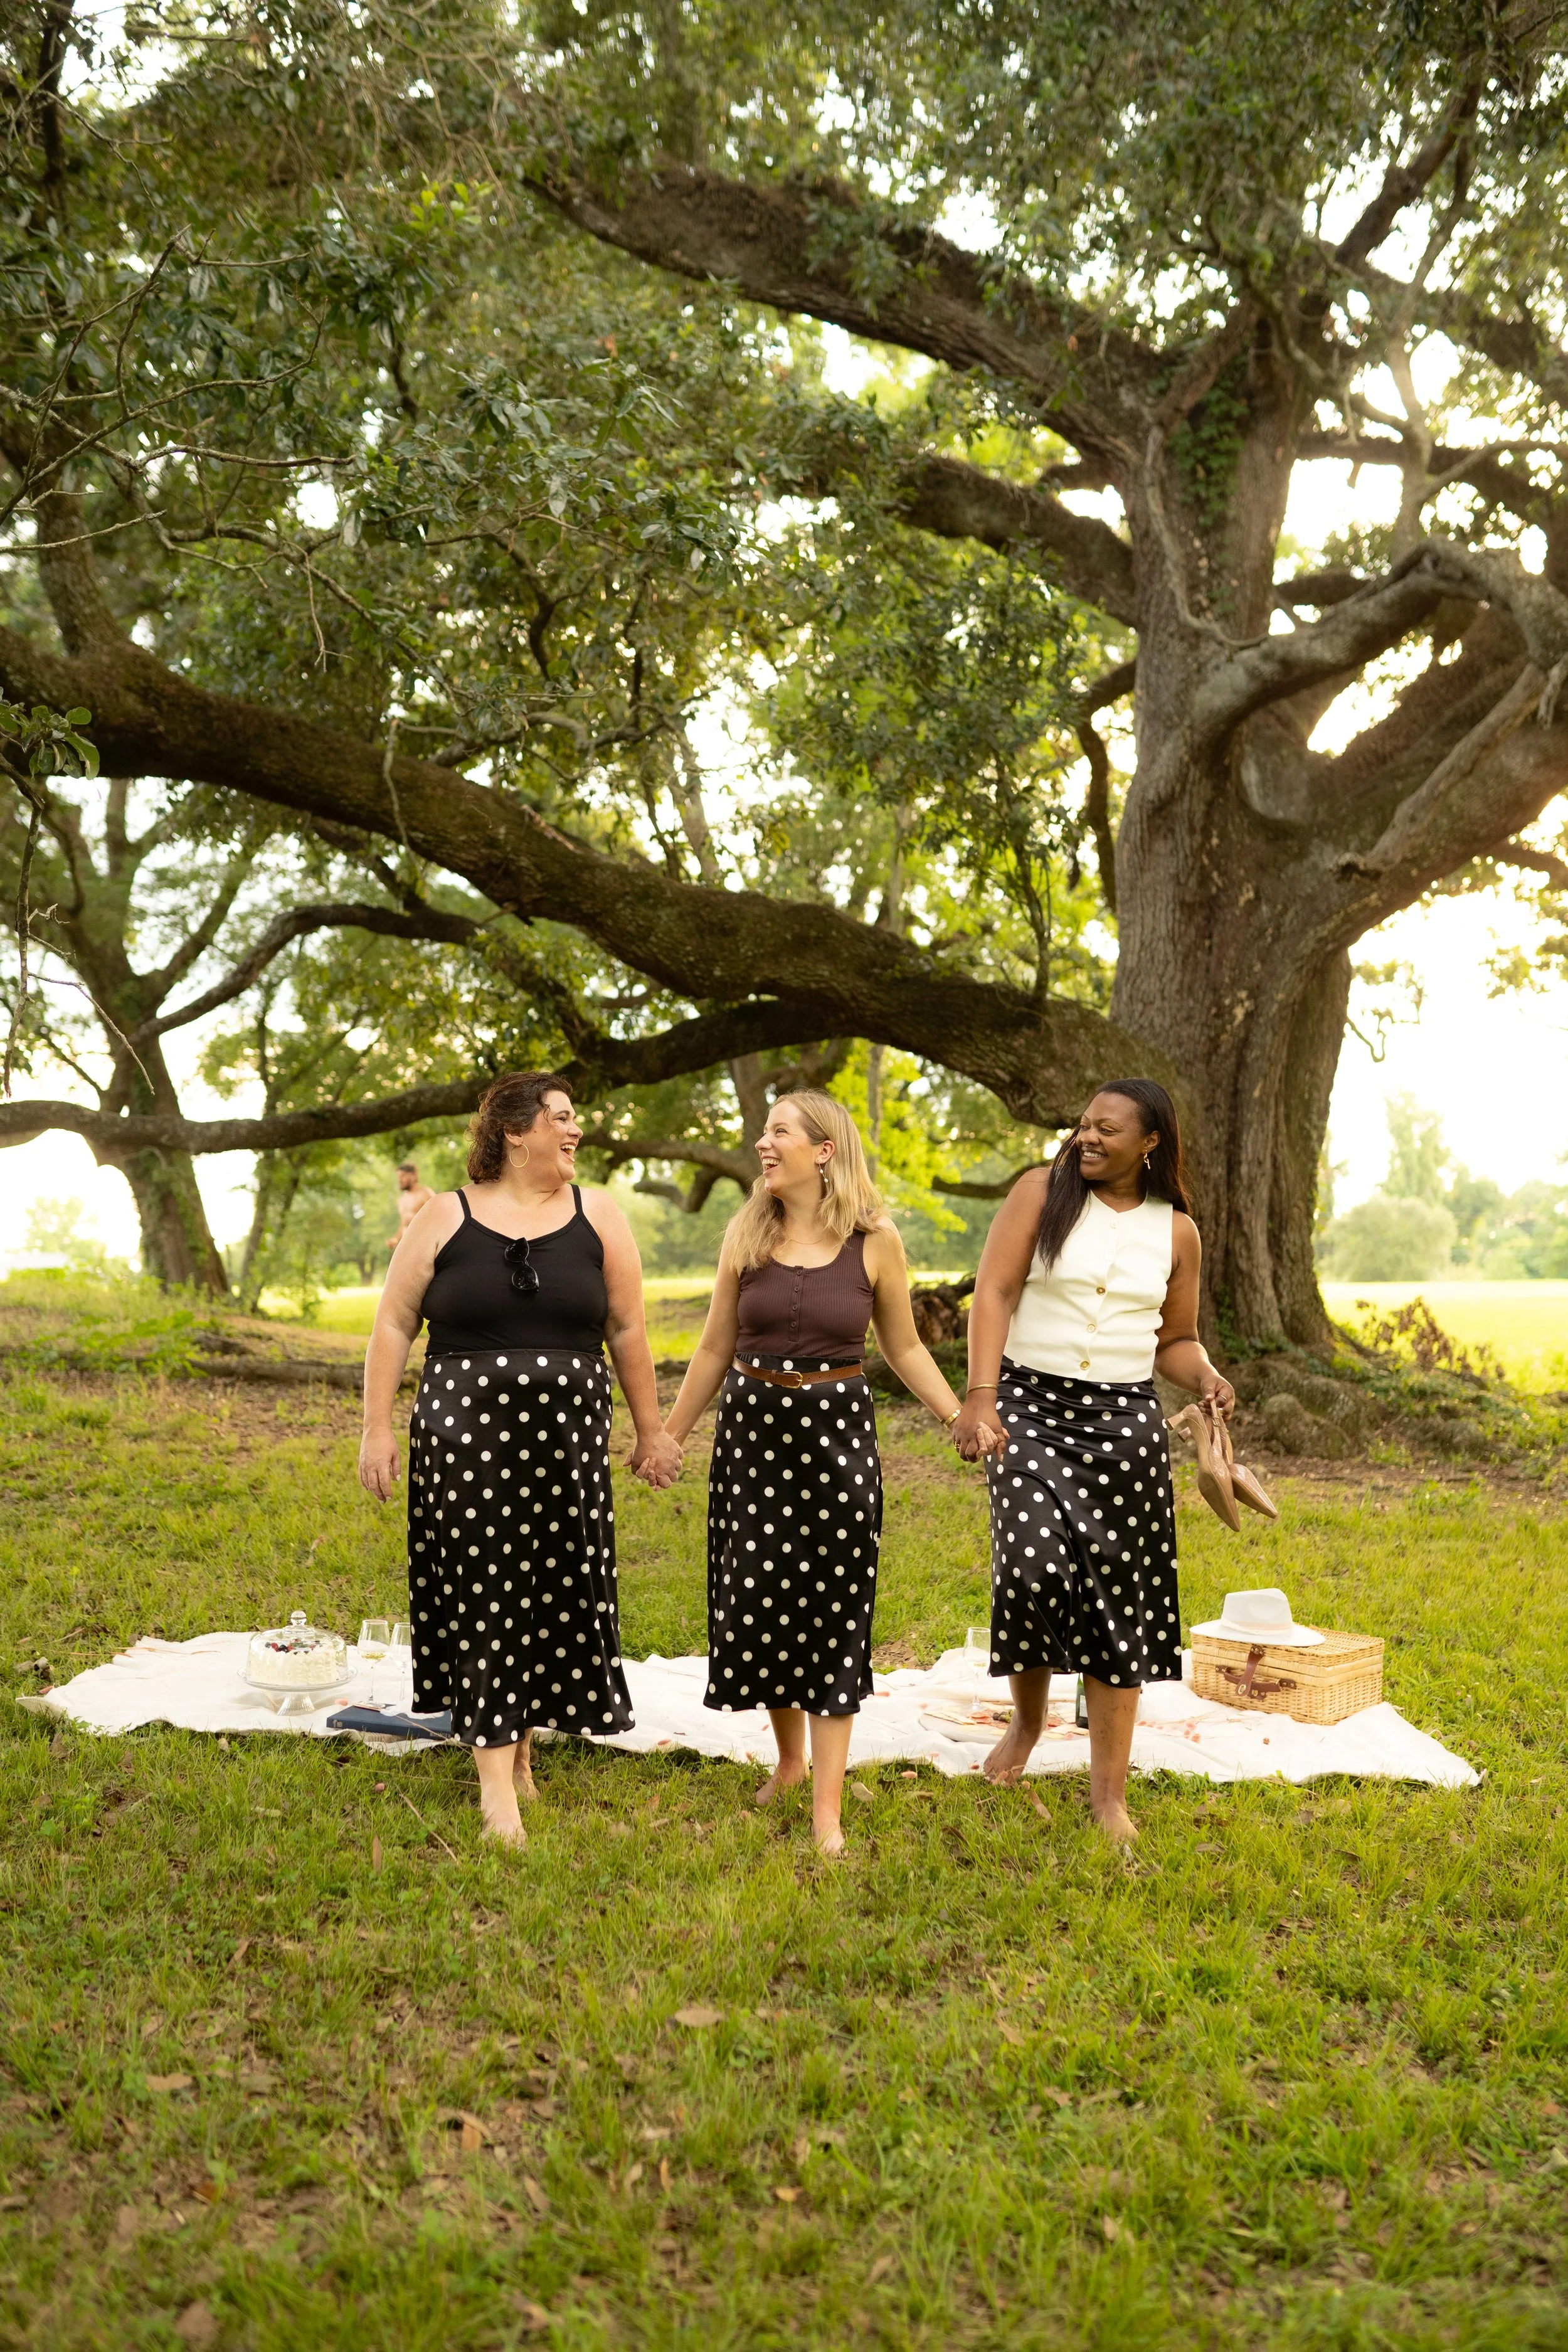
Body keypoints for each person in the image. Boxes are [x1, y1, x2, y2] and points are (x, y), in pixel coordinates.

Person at [661, 1089, 995, 1856]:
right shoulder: (746, 1233)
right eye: (764, 1131)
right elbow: (713, 1348)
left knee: (835, 1607)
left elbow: (905, 1347)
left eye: (779, 1132)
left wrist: (957, 1417)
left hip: (835, 1436)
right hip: (752, 1436)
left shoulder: (874, 1240)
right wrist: (670, 1437)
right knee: (760, 1597)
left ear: (825, 1150)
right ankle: (788, 1762)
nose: (762, 1144)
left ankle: (827, 1809)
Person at [358, 1073, 681, 1846]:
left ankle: (523, 1743)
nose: (575, 1131)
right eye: (562, 1118)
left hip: (568, 1444)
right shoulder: (444, 1215)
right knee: (486, 1589)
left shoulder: (597, 1214)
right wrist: (376, 1428)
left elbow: (628, 1330)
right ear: (515, 1132)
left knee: (549, 1591)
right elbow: (394, 1325)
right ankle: (495, 1785)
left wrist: (650, 1430)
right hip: (465, 1441)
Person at [950, 1078, 1234, 1843]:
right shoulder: (1040, 1194)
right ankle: (1028, 1723)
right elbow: (995, 1291)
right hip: (1029, 1410)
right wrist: (981, 1396)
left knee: (1119, 1599)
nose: (1088, 1138)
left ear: (1150, 1143)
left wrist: (1205, 1375)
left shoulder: (1176, 1232)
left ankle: (1108, 1796)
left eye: (1107, 1130)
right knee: (1033, 1567)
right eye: (1082, 1125)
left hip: (1122, 1424)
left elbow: (1173, 1339)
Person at [387, 1160, 432, 1256]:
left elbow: (439, 1217)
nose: (400, 1180)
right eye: (399, 1177)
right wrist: (395, 1239)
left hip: (425, 1246)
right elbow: (404, 1224)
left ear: (413, 1175)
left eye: (403, 1176)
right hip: (407, 1248)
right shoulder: (402, 1199)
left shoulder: (426, 1193)